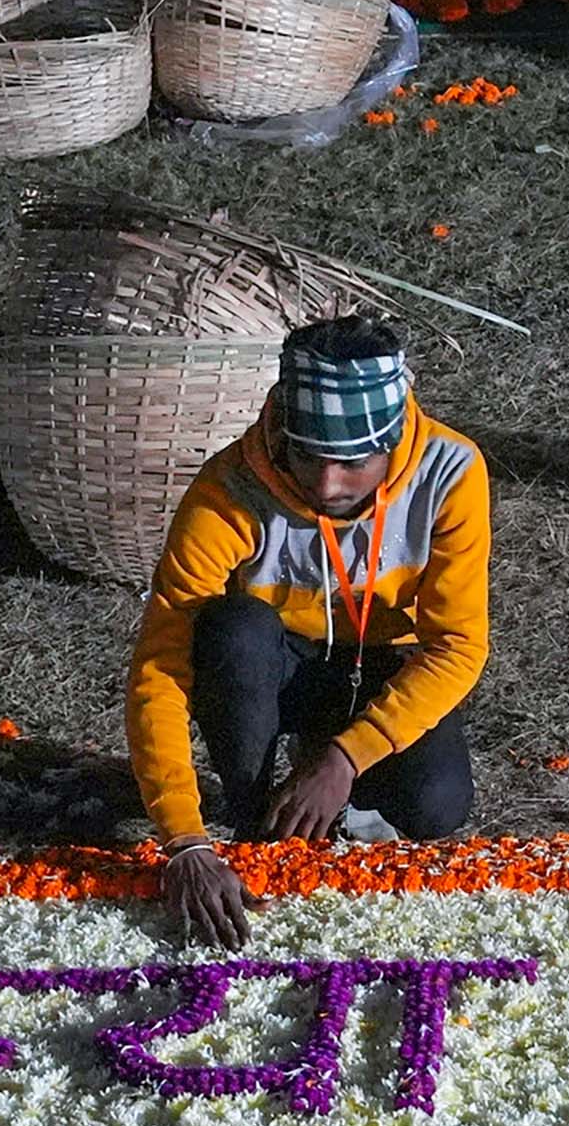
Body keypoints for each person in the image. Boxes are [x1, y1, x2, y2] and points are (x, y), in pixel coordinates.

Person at [127, 316, 486, 950]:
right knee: (230, 628)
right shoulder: (226, 491)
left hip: (380, 667)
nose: (327, 485)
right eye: (306, 458)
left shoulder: (449, 473)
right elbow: (161, 664)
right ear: (281, 435)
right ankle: (253, 815)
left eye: (352, 463)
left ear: (394, 438)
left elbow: (456, 646)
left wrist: (346, 758)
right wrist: (183, 837)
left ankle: (326, 776)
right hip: (272, 662)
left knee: (438, 808)